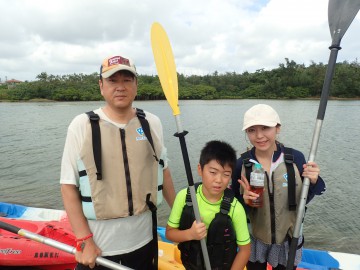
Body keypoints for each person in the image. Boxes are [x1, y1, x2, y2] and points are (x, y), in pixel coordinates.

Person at [60, 54, 176, 270]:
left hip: (145, 242)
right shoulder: (82, 125)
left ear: (136, 85)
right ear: (101, 86)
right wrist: (84, 240)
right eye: (113, 81)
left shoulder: (152, 122)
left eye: (127, 80)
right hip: (100, 248)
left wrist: (181, 216)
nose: (120, 87)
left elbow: (164, 172)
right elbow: (68, 186)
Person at [231, 104, 326, 270]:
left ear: (277, 128)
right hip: (255, 237)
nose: (259, 136)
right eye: (252, 130)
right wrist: (242, 200)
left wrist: (314, 180)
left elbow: (306, 197)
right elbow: (232, 203)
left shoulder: (295, 158)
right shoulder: (242, 164)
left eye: (265, 128)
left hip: (288, 238)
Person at [166, 140, 251, 270]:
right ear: (200, 169)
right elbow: (170, 233)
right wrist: (190, 234)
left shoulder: (236, 209)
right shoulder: (184, 197)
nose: (218, 180)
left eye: (226, 174)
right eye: (213, 172)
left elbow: (245, 250)